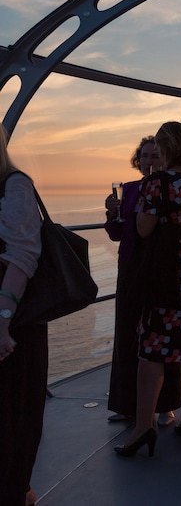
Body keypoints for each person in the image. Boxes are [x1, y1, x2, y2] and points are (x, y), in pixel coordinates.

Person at [115, 121, 181, 456]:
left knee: (152, 348)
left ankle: (144, 427)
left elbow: (144, 229)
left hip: (168, 275)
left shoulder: (158, 184)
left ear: (168, 149)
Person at [104, 136, 181, 428]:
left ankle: (167, 404)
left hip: (160, 269)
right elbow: (118, 233)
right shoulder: (131, 189)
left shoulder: (171, 189)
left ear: (165, 160)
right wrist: (112, 214)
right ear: (138, 160)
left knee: (162, 336)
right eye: (146, 156)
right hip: (130, 269)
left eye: (155, 156)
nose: (150, 161)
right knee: (126, 335)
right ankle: (127, 405)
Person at [0, 124, 45, 505]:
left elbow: (22, 255)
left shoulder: (14, 186)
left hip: (14, 322)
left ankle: (16, 491)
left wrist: (2, 322)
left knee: (13, 413)